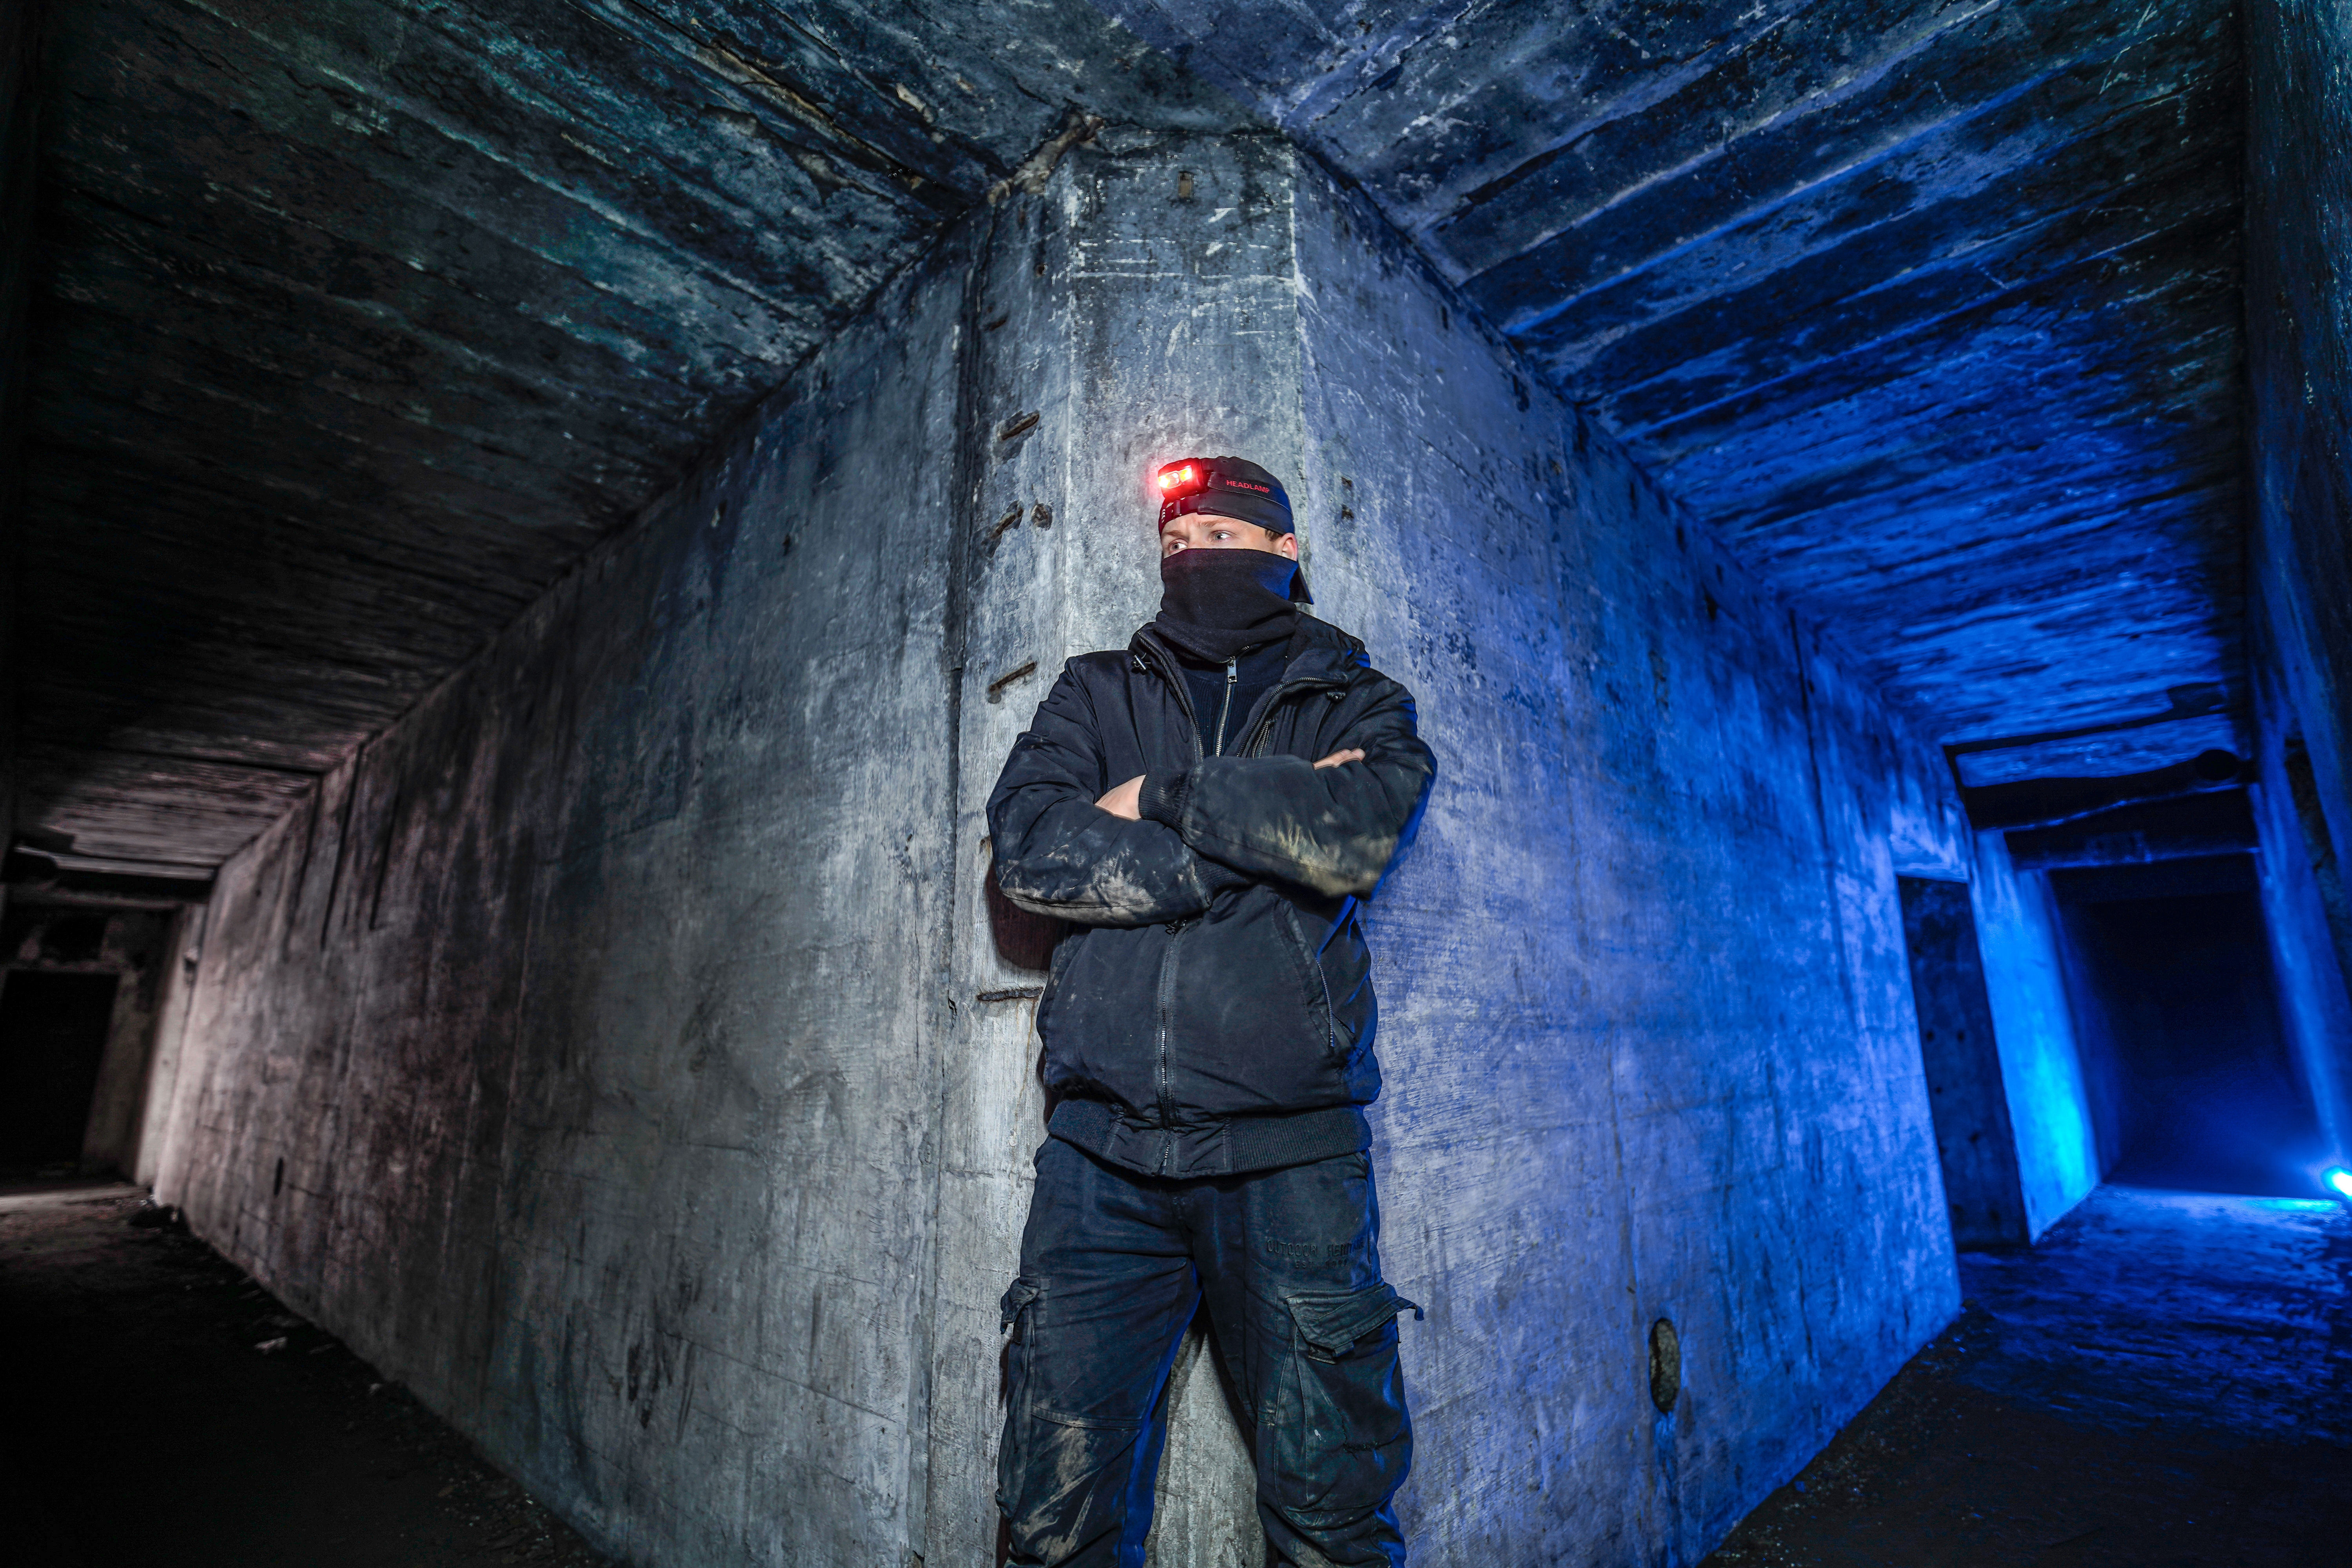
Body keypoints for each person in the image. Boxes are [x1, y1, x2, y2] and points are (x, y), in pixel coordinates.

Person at [985, 455, 1438, 1567]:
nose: (1193, 558)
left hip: (1291, 1163)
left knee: (1331, 1523)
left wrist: (1159, 796)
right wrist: (1247, 852)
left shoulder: (1359, 699)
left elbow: (1353, 833)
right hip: (1101, 1166)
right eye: (1176, 543)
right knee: (1052, 1525)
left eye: (1223, 541)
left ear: (1286, 553)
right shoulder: (1094, 691)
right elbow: (1033, 856)